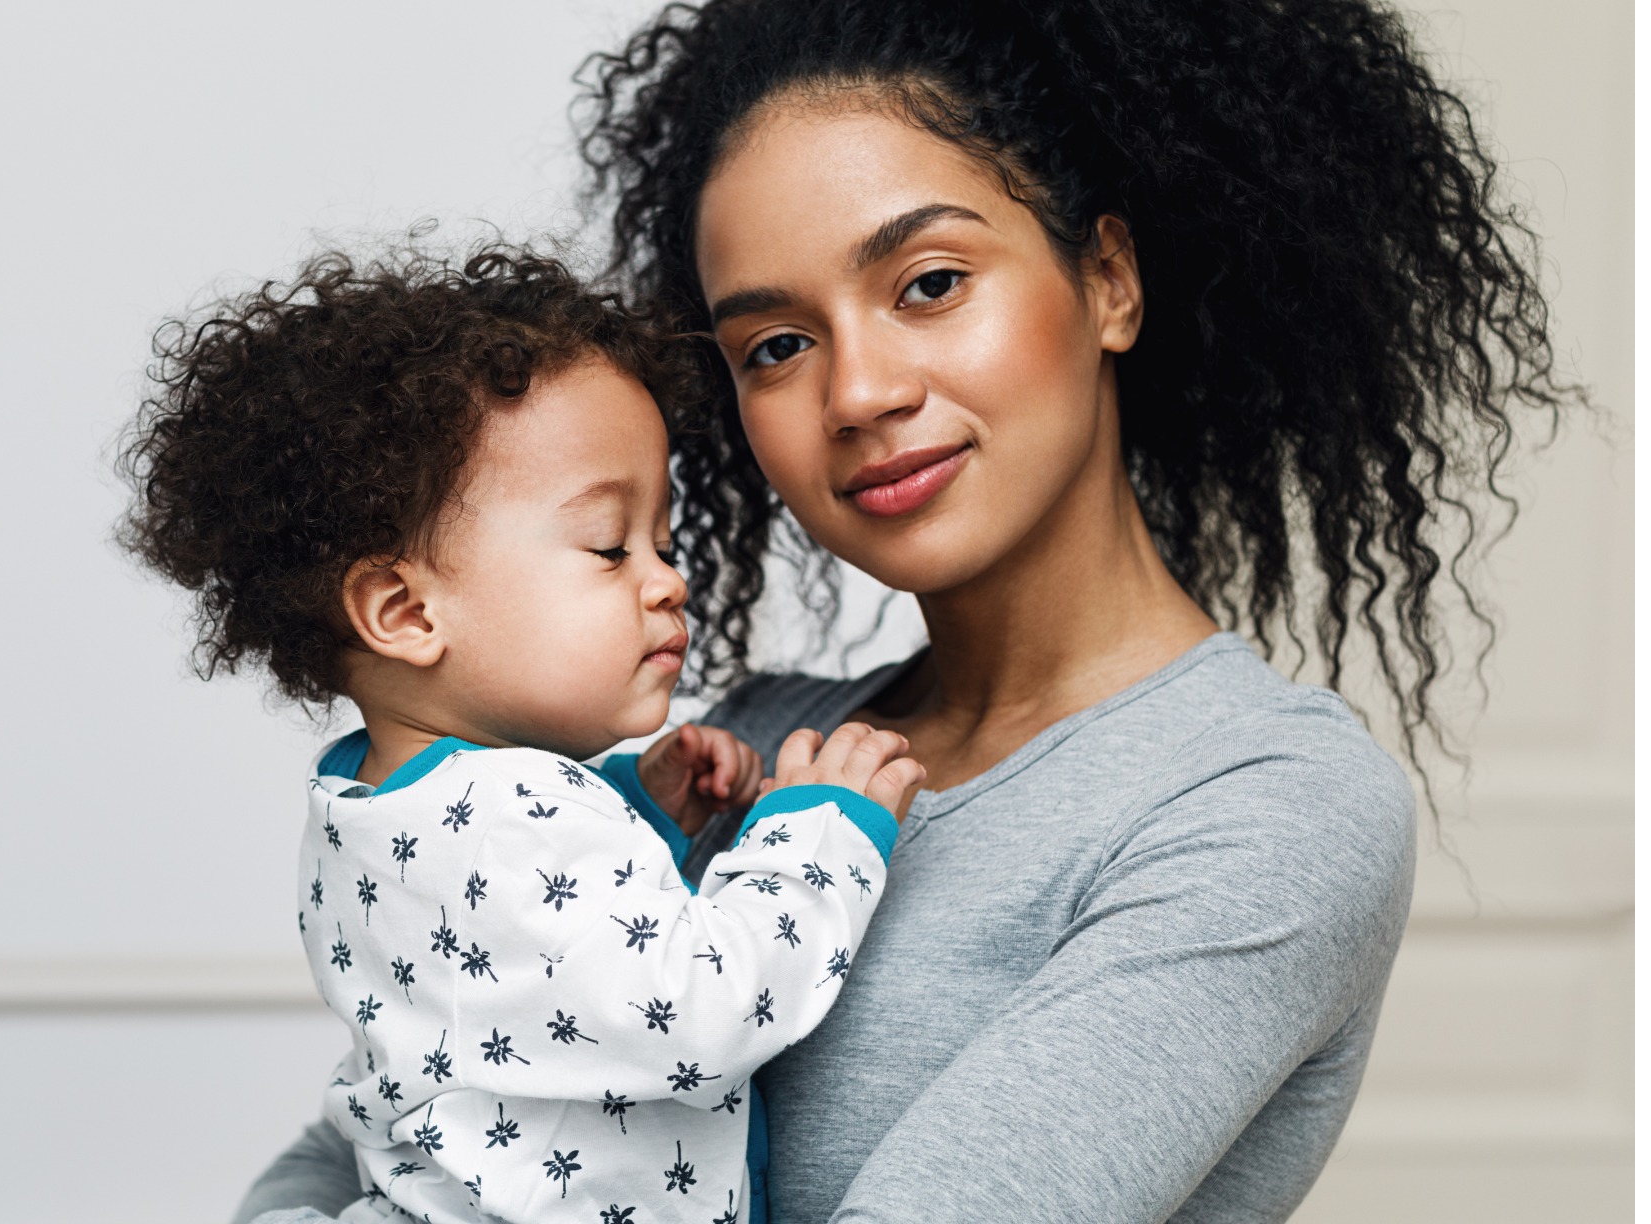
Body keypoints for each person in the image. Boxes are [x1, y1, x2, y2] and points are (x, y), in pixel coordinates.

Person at [236, 1, 1574, 1220]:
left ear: (1106, 280)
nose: (859, 390)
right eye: (776, 345)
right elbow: (404, 1136)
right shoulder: (736, 753)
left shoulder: (1258, 806)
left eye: (929, 283)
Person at [118, 245, 927, 1220]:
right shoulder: (513, 816)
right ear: (407, 613)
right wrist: (817, 833)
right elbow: (696, 1016)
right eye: (606, 546)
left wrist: (637, 809)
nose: (668, 579)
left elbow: (523, 977)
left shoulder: (361, 805)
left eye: (663, 543)